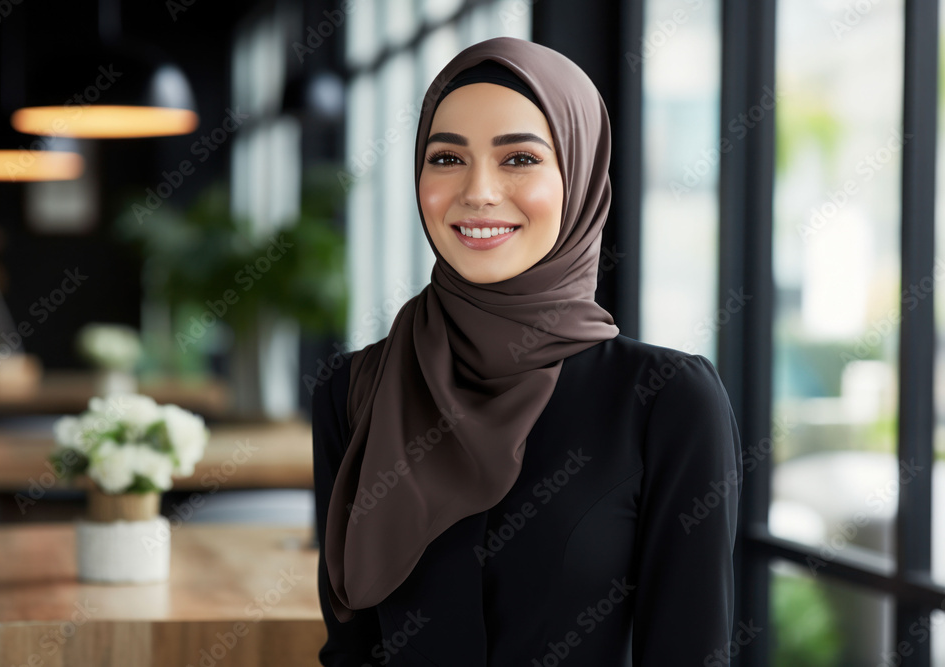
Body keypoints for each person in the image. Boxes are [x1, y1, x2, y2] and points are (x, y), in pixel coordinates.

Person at [312, 35, 742, 666]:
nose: (479, 192)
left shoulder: (665, 400)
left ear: (580, 174)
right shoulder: (358, 388)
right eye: (446, 158)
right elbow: (351, 651)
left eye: (518, 159)